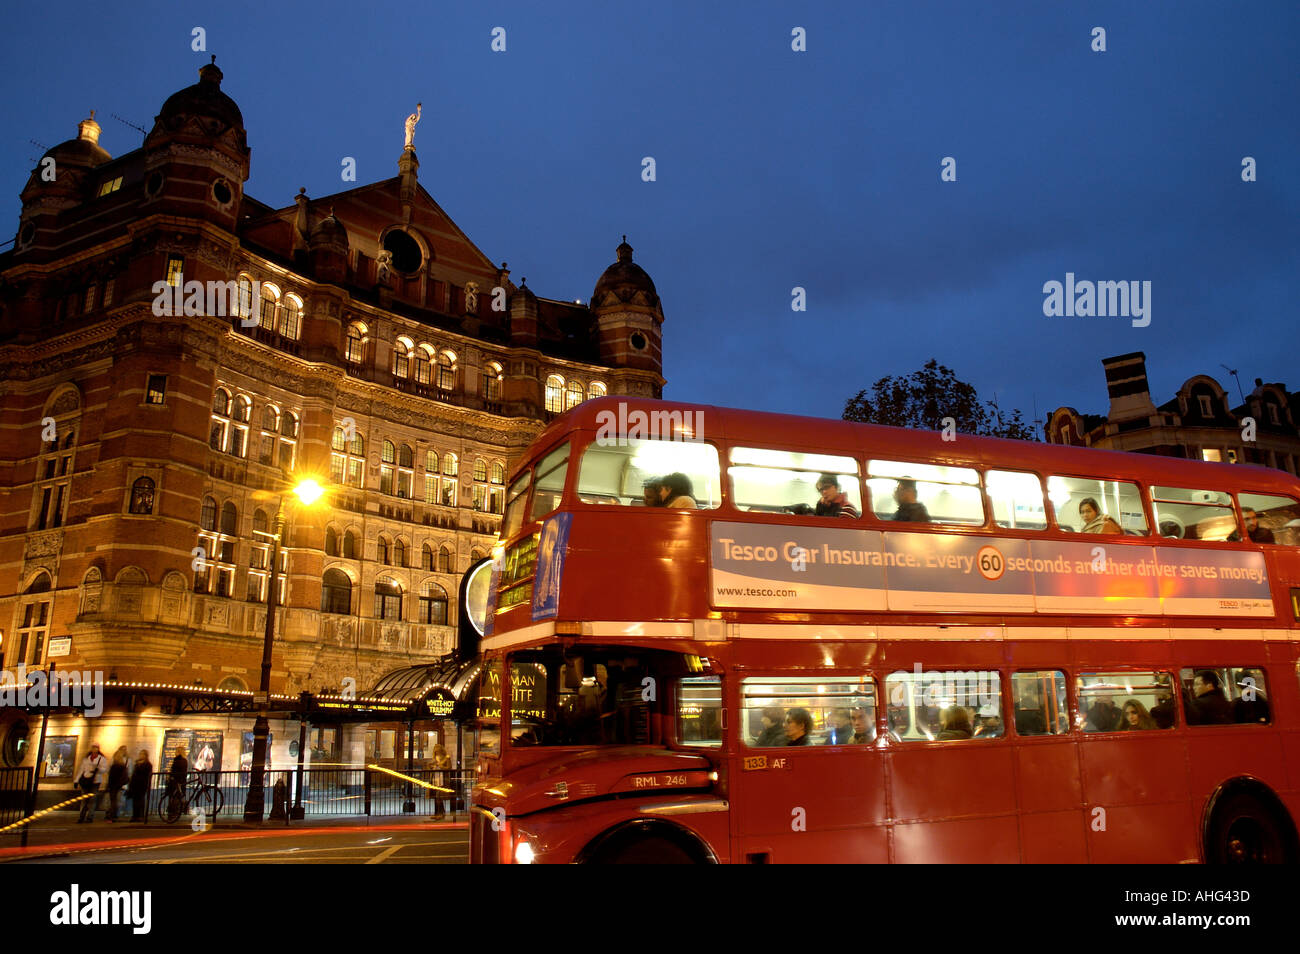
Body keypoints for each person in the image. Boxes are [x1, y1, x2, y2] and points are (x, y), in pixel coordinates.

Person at [75, 743, 108, 822]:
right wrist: (76, 780)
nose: (94, 749)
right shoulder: (86, 759)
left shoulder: (102, 759)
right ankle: (81, 816)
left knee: (92, 800)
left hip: (95, 781)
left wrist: (98, 768)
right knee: (84, 799)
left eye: (96, 748)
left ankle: (90, 817)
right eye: (93, 748)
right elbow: (81, 770)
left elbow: (104, 769)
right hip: (86, 780)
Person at [104, 746, 130, 822]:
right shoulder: (123, 766)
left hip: (114, 786)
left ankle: (112, 816)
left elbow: (111, 777)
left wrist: (108, 785)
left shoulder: (115, 766)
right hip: (119, 786)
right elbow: (126, 777)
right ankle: (114, 815)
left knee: (113, 801)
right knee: (116, 801)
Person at [129, 749, 153, 822]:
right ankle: (135, 815)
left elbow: (147, 775)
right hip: (135, 784)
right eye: (140, 754)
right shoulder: (137, 763)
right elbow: (134, 774)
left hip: (142, 784)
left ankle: (140, 815)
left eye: (143, 754)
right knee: (135, 800)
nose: (141, 755)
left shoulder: (148, 764)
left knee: (140, 800)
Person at [430, 743, 453, 819]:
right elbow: (430, 767)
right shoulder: (434, 758)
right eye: (435, 751)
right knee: (436, 797)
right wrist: (432, 766)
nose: (436, 752)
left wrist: (441, 766)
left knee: (439, 796)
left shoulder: (446, 758)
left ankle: (440, 813)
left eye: (438, 750)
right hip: (435, 778)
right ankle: (438, 813)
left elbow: (449, 767)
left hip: (442, 779)